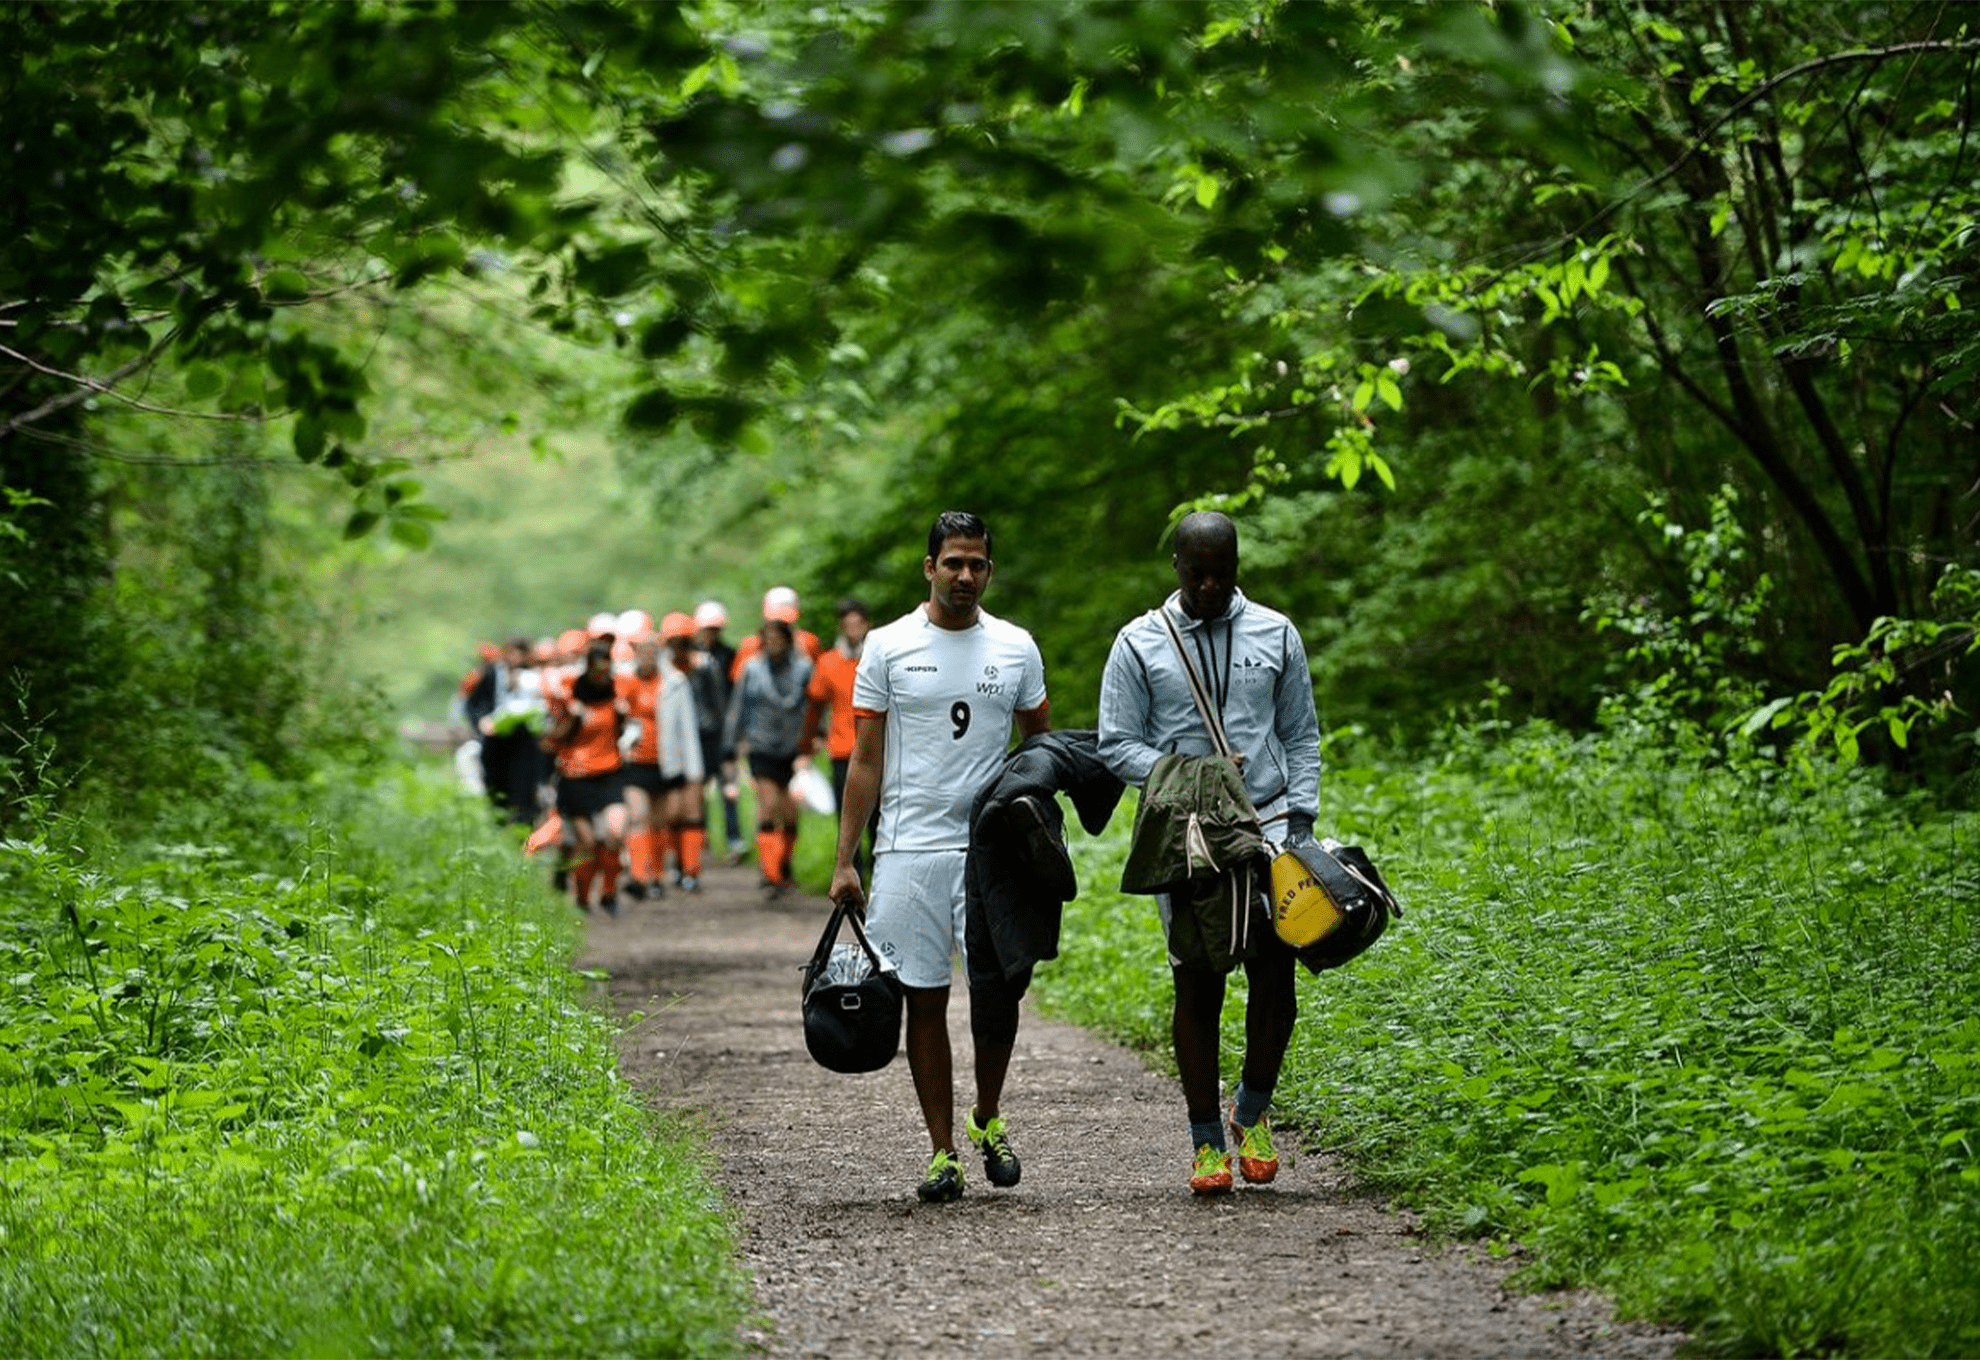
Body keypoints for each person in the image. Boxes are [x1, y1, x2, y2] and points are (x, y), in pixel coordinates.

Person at [827, 511, 1051, 1204]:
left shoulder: (1016, 647)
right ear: (930, 568)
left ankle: (988, 1116)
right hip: (908, 849)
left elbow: (1040, 749)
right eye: (952, 562)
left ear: (990, 571)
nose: (965, 575)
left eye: (977, 564)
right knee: (923, 999)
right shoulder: (887, 646)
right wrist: (846, 860)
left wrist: (1040, 836)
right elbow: (865, 760)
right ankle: (942, 1151)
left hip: (990, 850)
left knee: (999, 994)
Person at [1096, 510, 1321, 1195]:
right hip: (1188, 834)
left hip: (1271, 823)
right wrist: (1193, 775)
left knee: (1276, 974)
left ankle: (1250, 1112)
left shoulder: (1276, 633)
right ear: (1177, 568)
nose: (1210, 587)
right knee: (1199, 981)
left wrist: (1303, 818)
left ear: (1237, 568)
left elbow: (1301, 734)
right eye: (1197, 575)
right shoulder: (1139, 643)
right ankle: (1204, 1143)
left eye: (1222, 574)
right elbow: (1116, 744)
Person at [723, 614, 814, 897]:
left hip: (793, 747)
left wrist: (813, 741)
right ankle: (770, 874)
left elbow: (814, 707)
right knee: (769, 803)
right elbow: (738, 707)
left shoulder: (804, 668)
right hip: (760, 745)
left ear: (788, 641)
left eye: (778, 639)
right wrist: (731, 745)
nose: (773, 644)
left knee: (790, 812)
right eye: (768, 639)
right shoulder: (752, 668)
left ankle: (784, 866)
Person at [547, 638, 631, 913]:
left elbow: (620, 732)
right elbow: (554, 738)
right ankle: (582, 898)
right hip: (576, 776)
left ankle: (609, 893)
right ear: (589, 668)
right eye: (598, 670)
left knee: (616, 832)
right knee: (587, 842)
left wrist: (624, 719)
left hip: (609, 771)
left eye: (607, 670)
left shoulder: (617, 694)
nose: (602, 675)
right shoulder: (570, 693)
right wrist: (573, 718)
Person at [801, 596, 877, 876]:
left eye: (858, 623)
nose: (853, 629)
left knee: (878, 818)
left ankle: (878, 875)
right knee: (848, 818)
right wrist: (809, 746)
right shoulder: (828, 662)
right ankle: (851, 875)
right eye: (848, 624)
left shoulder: (879, 659)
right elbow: (815, 707)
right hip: (842, 751)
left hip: (877, 751)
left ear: (866, 625)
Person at [693, 599, 748, 865]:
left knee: (728, 787)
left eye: (715, 629)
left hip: (723, 731)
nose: (711, 633)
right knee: (697, 789)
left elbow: (736, 693)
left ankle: (734, 839)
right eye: (708, 629)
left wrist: (737, 733)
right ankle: (697, 842)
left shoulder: (730, 655)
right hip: (697, 733)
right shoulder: (689, 655)